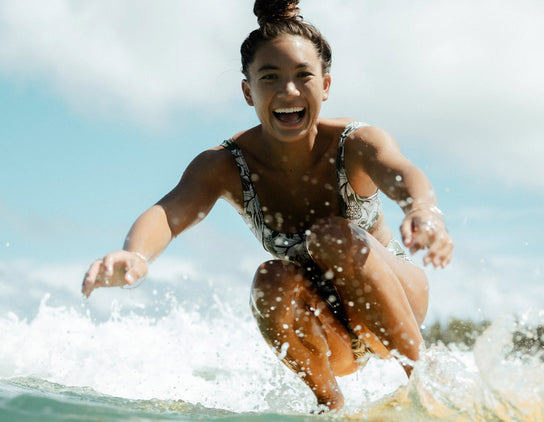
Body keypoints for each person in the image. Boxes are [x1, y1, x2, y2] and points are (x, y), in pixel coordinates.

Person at [82, 0, 452, 412]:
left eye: (303, 76)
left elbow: (402, 172)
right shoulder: (226, 165)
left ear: (325, 86)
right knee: (270, 279)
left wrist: (423, 212)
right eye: (270, 77)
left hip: (396, 304)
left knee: (331, 236)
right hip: (330, 333)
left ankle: (427, 382)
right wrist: (135, 254)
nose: (288, 91)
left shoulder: (355, 144)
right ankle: (330, 406)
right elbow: (169, 212)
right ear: (248, 90)